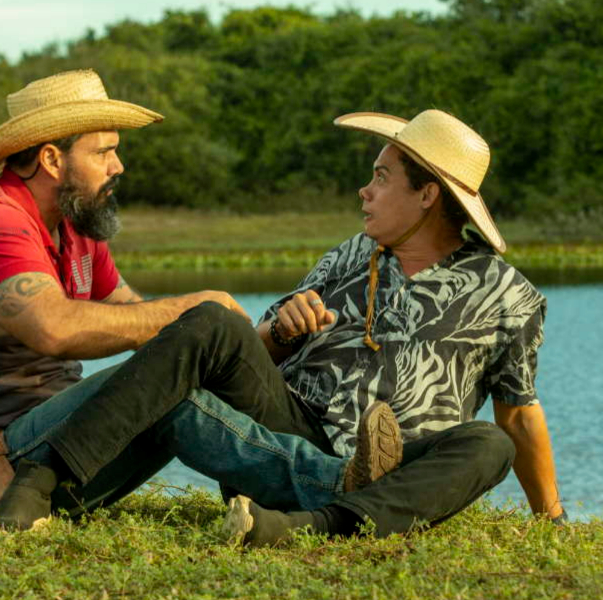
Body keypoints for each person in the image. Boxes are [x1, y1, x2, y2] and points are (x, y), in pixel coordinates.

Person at [0, 69, 402, 530]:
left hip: (75, 445)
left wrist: (239, 340)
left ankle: (331, 479)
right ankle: (338, 482)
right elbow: (53, 328)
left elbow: (153, 339)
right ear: (51, 159)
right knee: (197, 338)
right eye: (103, 152)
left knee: (180, 377)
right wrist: (200, 313)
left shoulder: (77, 231)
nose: (118, 166)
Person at [220, 109, 566, 545]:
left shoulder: (507, 294)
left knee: (490, 444)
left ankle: (315, 524)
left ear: (427, 195)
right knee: (213, 341)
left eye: (381, 178)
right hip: (293, 446)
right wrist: (281, 330)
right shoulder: (349, 255)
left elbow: (517, 415)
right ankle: (313, 512)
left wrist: (551, 521)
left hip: (394, 476)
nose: (364, 192)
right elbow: (248, 359)